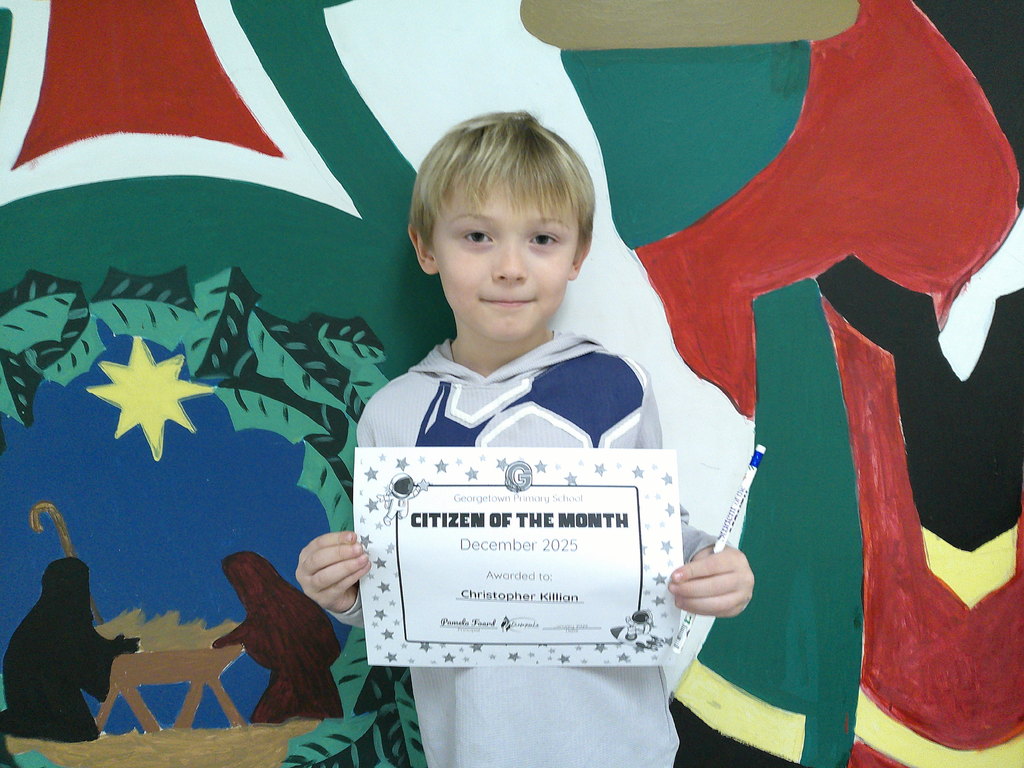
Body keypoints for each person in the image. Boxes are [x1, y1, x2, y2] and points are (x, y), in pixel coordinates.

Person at [296, 111, 754, 768]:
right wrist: (344, 593)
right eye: (477, 236)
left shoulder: (616, 387)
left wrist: (712, 565)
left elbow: (659, 539)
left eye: (541, 238)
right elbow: (400, 592)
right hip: (473, 748)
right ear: (427, 249)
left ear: (577, 255)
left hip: (622, 748)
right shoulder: (392, 416)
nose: (510, 268)